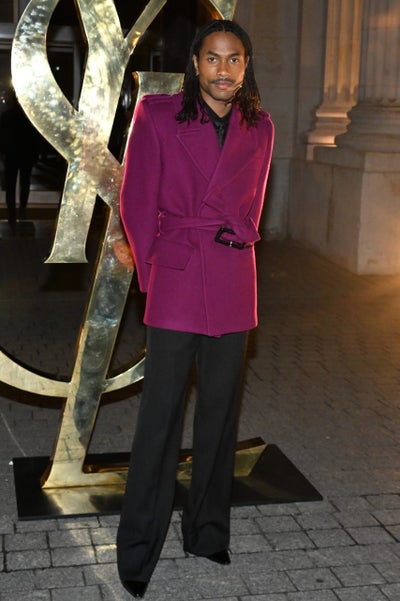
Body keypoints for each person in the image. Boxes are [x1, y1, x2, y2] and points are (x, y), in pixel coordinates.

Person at [117, 19, 274, 599]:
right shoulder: (157, 115)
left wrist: (242, 234)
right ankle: (138, 550)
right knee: (158, 419)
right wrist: (157, 271)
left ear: (246, 65)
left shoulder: (261, 127)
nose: (224, 70)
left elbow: (254, 201)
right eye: (214, 58)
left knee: (219, 417)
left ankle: (208, 532)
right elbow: (136, 201)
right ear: (195, 62)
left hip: (233, 278)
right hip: (178, 276)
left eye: (235, 59)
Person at [0, 89, 40, 232]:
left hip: (11, 155)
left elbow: (2, 138)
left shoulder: (6, 116)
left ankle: (12, 213)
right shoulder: (30, 118)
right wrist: (36, 155)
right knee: (25, 182)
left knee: (10, 187)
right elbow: (35, 139)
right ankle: (22, 209)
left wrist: (3, 154)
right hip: (26, 154)